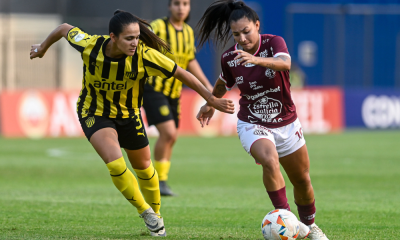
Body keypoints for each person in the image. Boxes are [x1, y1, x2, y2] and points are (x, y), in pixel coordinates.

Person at [30, 10, 234, 237]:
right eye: (129, 38)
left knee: (146, 170)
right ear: (113, 37)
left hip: (129, 115)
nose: (135, 43)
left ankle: (156, 216)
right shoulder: (91, 46)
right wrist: (42, 48)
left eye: (137, 37)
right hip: (94, 112)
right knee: (116, 164)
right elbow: (63, 28)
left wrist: (211, 99)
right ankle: (145, 211)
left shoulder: (145, 56)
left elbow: (182, 73)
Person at [195, 1, 329, 239]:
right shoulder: (230, 58)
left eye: (246, 31)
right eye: (236, 34)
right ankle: (289, 223)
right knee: (269, 159)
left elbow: (284, 63)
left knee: (303, 181)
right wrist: (210, 103)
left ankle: (310, 225)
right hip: (252, 123)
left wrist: (256, 60)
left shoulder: (273, 43)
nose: (242, 39)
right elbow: (222, 83)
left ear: (257, 25)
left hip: (287, 123)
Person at [143, 0, 213, 196]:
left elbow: (190, 60)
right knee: (169, 133)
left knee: (171, 138)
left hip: (175, 93)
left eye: (185, 4)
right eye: (176, 3)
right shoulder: (157, 26)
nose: (181, 8)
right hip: (154, 88)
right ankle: (157, 180)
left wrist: (208, 86)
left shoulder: (189, 32)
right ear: (169, 7)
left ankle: (161, 180)